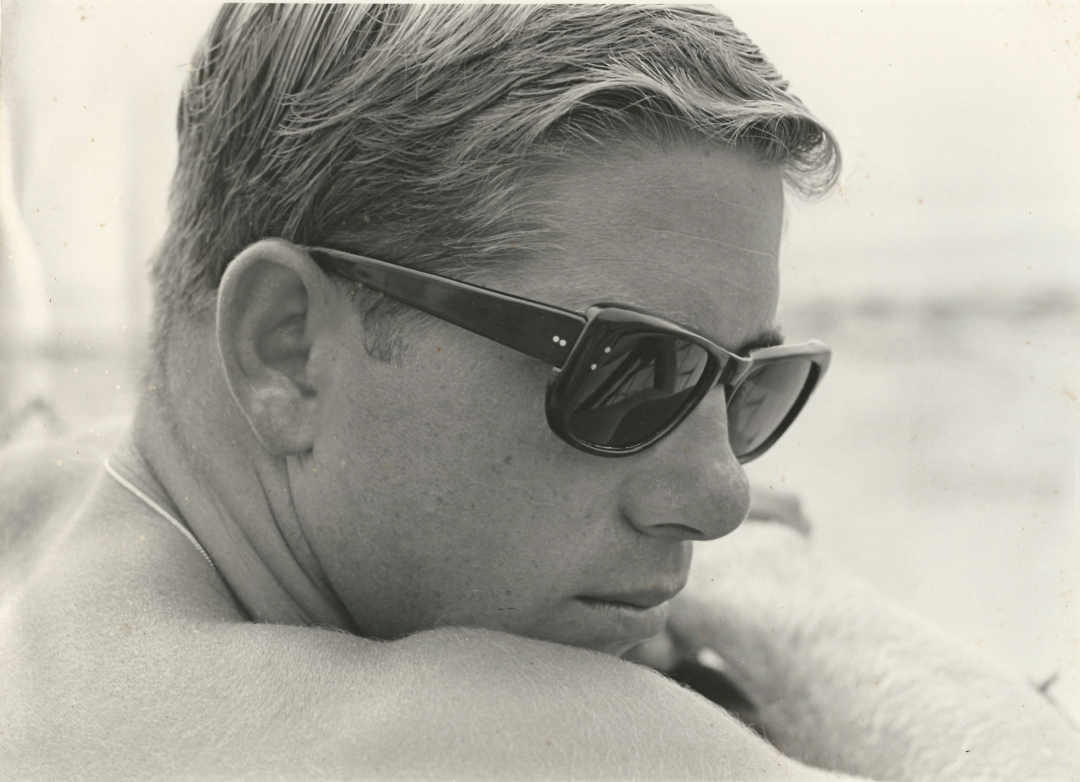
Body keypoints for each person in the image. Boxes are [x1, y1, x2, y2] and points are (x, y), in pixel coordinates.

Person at [2, 5, 1076, 779]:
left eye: (746, 385)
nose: (723, 500)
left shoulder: (48, 509)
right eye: (628, 370)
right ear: (286, 348)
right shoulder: (486, 740)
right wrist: (789, 602)